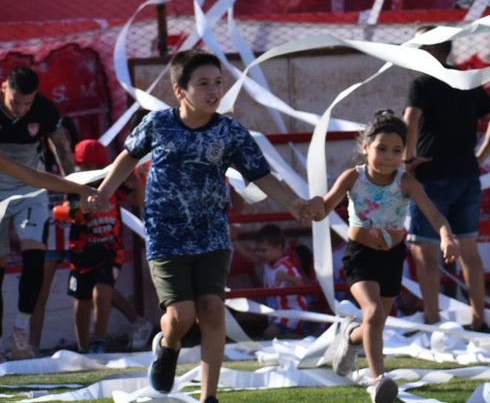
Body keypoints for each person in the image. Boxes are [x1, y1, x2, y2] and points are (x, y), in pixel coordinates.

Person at [90, 50, 324, 403]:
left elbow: (260, 174)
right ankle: (168, 344)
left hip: (212, 234)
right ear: (179, 90)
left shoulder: (230, 131)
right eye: (203, 84)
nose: (214, 91)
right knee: (181, 316)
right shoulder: (158, 123)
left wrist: (294, 203)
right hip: (166, 234)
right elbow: (129, 157)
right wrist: (105, 192)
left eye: (218, 83)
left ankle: (208, 397)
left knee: (213, 309)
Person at [323, 110, 459, 403]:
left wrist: (446, 236)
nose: (389, 156)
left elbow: (435, 215)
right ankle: (378, 382)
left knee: (375, 322)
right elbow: (323, 207)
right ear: (365, 147)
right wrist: (307, 206)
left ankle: (350, 337)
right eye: (381, 148)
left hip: (392, 258)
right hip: (360, 257)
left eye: (397, 150)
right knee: (373, 312)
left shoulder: (406, 182)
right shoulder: (353, 178)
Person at [403, 30, 490, 332]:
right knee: (469, 250)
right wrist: (479, 158)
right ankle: (478, 318)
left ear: (433, 48)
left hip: (430, 177)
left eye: (420, 45)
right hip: (466, 176)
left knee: (425, 251)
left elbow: (410, 119)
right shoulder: (466, 80)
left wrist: (408, 159)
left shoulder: (422, 83)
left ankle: (432, 321)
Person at [0, 65, 84, 358]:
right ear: (4, 88)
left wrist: (74, 191)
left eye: (28, 103)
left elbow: (61, 148)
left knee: (35, 254)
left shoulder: (44, 110)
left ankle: (21, 332)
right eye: (16, 102)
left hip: (30, 188)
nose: (22, 109)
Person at [52, 139, 124, 353]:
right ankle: (83, 347)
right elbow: (61, 211)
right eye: (85, 166)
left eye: (94, 166)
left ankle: (99, 340)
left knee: (102, 291)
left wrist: (138, 178)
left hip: (110, 251)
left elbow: (137, 198)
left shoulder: (112, 184)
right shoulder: (75, 187)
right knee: (81, 301)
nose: (89, 171)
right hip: (81, 254)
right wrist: (80, 209)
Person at [253, 224, 312, 339]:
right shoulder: (267, 266)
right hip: (277, 312)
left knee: (269, 334)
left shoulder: (286, 266)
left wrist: (289, 278)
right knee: (272, 336)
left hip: (292, 312)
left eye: (264, 250)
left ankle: (298, 335)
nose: (260, 254)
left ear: (278, 248)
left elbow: (303, 286)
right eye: (258, 251)